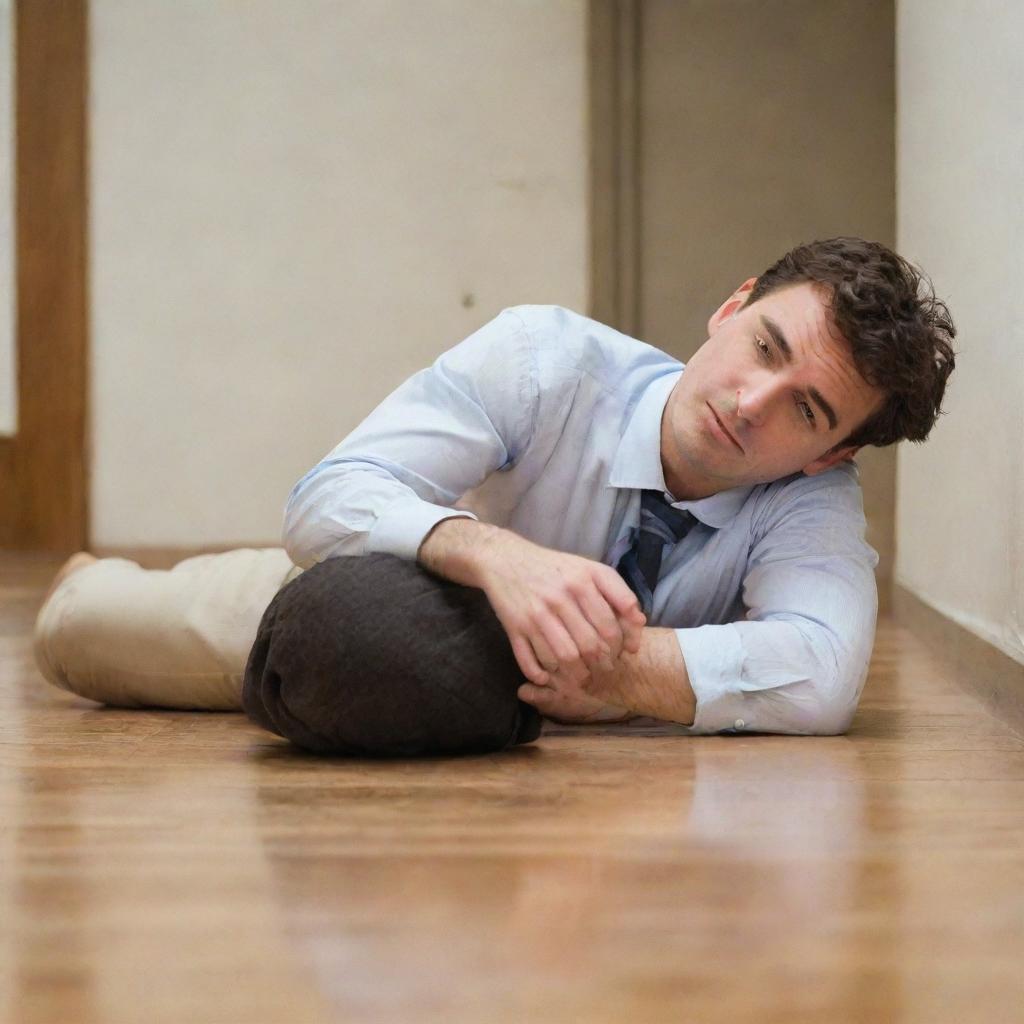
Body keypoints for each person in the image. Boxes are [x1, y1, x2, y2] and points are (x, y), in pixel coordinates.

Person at [33, 237, 956, 752]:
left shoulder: (812, 505)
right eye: (765, 346)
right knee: (83, 633)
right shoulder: (546, 361)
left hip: (487, 693)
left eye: (806, 410)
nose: (750, 404)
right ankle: (91, 576)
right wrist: (498, 556)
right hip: (403, 587)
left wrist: (613, 668)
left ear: (828, 457)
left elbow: (824, 676)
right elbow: (328, 496)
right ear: (732, 306)